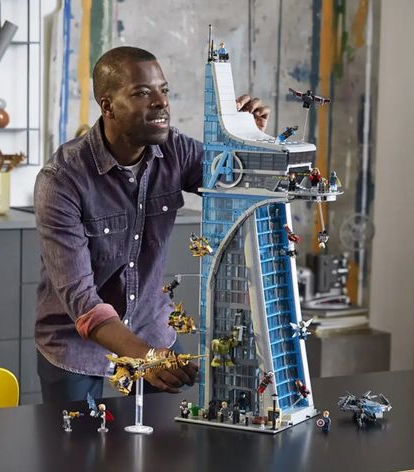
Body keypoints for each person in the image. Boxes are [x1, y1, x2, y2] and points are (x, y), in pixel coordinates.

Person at [34, 46, 270, 403]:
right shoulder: (62, 179)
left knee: (168, 450)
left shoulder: (176, 151)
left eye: (164, 91)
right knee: (76, 454)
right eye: (142, 93)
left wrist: (246, 139)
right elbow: (82, 300)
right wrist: (144, 357)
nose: (161, 102)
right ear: (108, 106)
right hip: (76, 348)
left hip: (153, 328)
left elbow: (237, 182)